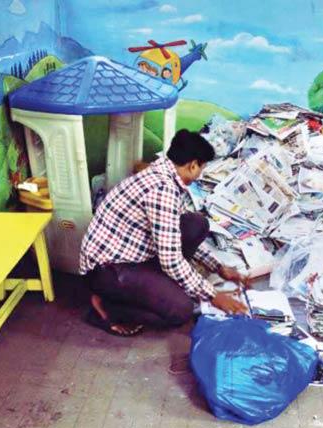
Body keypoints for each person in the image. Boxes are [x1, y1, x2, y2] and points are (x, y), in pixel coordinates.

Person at [79, 129, 248, 336]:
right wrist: (213, 295)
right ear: (193, 165)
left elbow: (173, 234)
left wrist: (218, 267)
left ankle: (160, 284)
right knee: (181, 310)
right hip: (108, 270)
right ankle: (105, 307)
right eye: (201, 168)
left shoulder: (164, 173)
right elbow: (170, 259)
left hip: (132, 253)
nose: (199, 175)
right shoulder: (162, 189)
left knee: (196, 224)